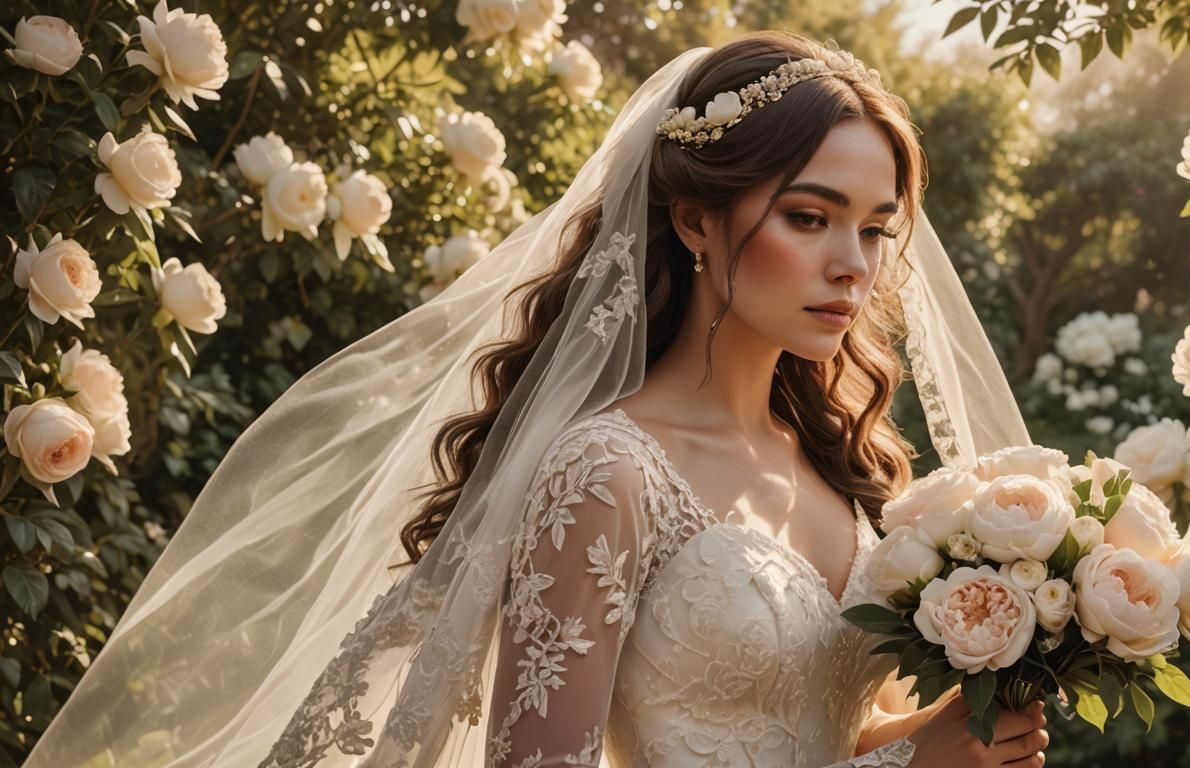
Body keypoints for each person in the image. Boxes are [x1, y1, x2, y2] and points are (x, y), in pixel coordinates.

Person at [24, 31, 1041, 768]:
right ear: (695, 222)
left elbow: (815, 735)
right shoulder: (607, 471)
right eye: (812, 217)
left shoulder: (837, 466)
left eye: (875, 228)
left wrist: (954, 730)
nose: (852, 264)